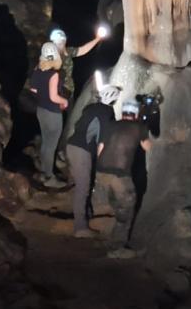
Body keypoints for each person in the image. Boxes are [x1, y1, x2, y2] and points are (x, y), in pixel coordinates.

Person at [97, 100, 152, 258]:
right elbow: (147, 147)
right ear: (135, 114)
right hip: (120, 175)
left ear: (123, 112)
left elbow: (100, 148)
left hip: (101, 172)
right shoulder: (139, 127)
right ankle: (117, 248)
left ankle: (112, 238)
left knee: (117, 203)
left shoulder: (111, 125)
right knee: (127, 208)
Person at [66, 84, 120, 238]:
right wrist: (102, 161)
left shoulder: (90, 107)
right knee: (83, 187)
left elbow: (80, 125)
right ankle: (80, 228)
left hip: (72, 146)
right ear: (113, 99)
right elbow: (102, 140)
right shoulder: (107, 111)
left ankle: (85, 215)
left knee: (83, 185)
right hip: (82, 150)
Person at [28, 42, 68, 188]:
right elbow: (54, 97)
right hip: (53, 113)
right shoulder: (53, 75)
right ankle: (49, 177)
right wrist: (64, 101)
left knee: (46, 143)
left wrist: (43, 95)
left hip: (41, 111)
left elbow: (33, 90)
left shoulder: (37, 70)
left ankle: (45, 171)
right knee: (51, 146)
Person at [49, 28, 105, 100]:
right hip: (56, 91)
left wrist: (97, 39)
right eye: (57, 41)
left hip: (68, 90)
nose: (60, 43)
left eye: (62, 41)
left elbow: (83, 50)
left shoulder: (68, 51)